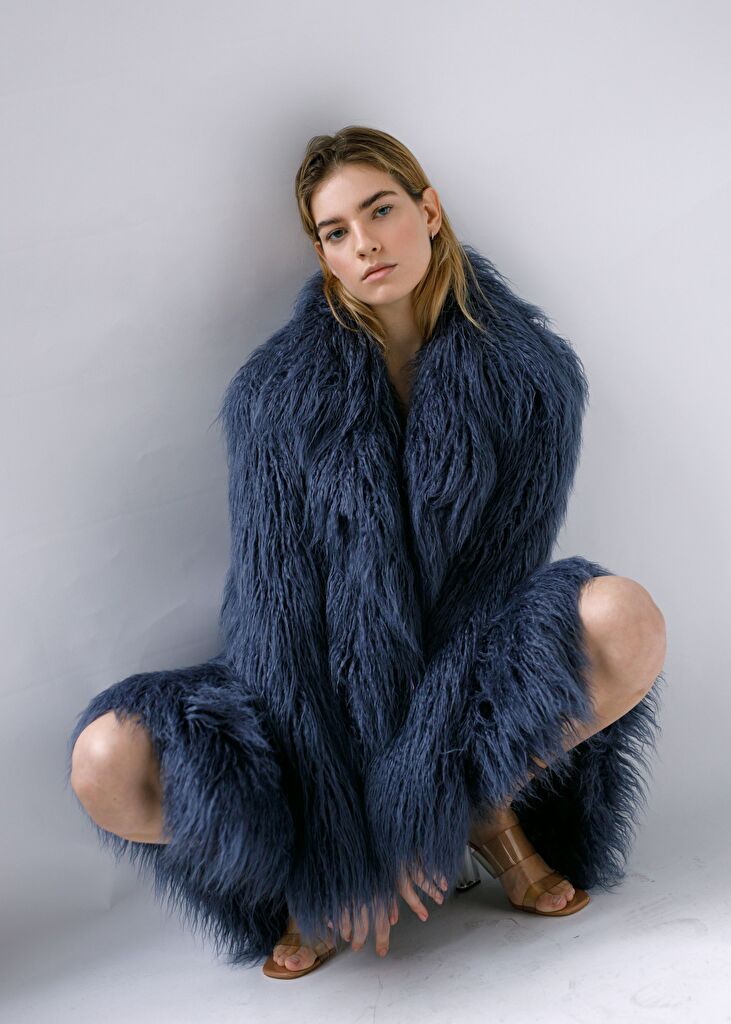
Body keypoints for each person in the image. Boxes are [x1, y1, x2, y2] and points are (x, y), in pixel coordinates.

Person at [68, 125, 667, 980]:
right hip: (301, 688)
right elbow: (274, 618)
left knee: (624, 617)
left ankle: (476, 812)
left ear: (429, 211)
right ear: (322, 255)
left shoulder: (532, 377)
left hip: (459, 673)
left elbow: (487, 595)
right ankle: (331, 866)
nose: (365, 244)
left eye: (380, 210)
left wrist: (417, 801)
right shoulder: (274, 395)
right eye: (336, 231)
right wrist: (341, 843)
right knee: (105, 762)